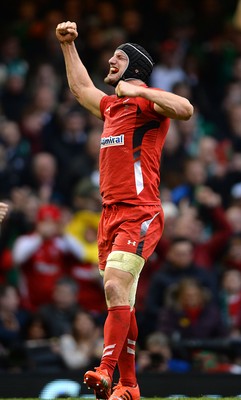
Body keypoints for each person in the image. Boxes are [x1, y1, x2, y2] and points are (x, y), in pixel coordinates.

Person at [56, 21, 193, 400]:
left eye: (118, 57)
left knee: (116, 285)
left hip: (140, 210)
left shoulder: (145, 100)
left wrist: (136, 89)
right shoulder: (113, 106)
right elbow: (81, 89)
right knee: (122, 300)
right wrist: (67, 46)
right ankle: (129, 387)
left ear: (133, 67)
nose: (110, 61)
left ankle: (105, 370)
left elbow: (184, 108)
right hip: (109, 214)